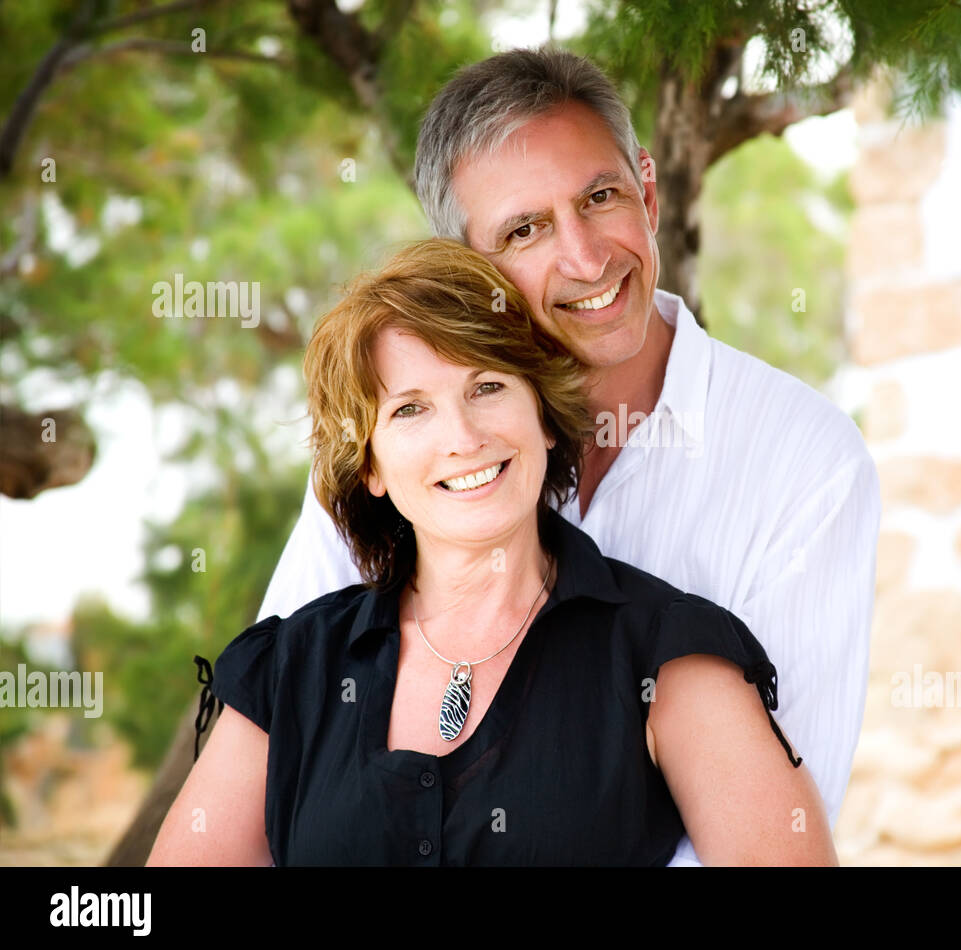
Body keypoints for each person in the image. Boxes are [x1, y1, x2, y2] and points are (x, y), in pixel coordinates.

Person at [251, 47, 880, 866]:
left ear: (648, 192)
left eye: (601, 197)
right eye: (526, 229)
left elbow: (774, 835)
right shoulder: (410, 450)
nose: (585, 259)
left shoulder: (807, 461)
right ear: (469, 268)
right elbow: (287, 726)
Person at [147, 239, 835, 865]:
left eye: (488, 387)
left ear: (543, 415)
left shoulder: (665, 655)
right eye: (410, 409)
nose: (464, 437)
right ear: (371, 467)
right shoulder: (292, 669)